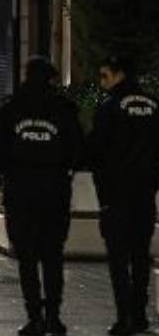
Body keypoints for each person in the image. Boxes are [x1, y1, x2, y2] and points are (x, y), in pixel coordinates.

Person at [0, 56, 82, 336]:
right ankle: (53, 316)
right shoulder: (64, 109)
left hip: (20, 192)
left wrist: (5, 171)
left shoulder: (11, 108)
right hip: (55, 191)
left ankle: (34, 317)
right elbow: (79, 150)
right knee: (53, 256)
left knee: (27, 258)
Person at [87, 55, 159, 335]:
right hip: (144, 194)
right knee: (141, 256)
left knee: (118, 259)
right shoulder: (154, 106)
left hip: (116, 196)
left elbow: (95, 151)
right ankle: (140, 314)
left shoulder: (110, 107)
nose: (102, 83)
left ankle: (124, 317)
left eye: (104, 76)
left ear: (118, 75)